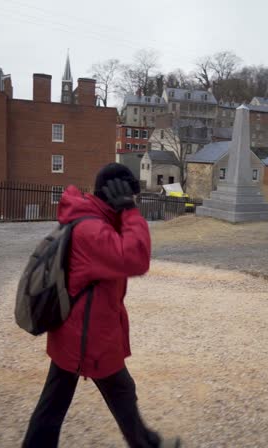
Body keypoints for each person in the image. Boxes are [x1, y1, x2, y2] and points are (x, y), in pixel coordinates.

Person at [22, 163, 181, 448]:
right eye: (130, 197)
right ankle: (147, 445)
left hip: (76, 331)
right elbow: (135, 258)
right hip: (88, 338)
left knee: (54, 404)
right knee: (119, 392)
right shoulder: (91, 229)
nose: (133, 202)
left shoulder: (91, 217)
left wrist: (122, 212)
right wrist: (130, 212)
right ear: (116, 195)